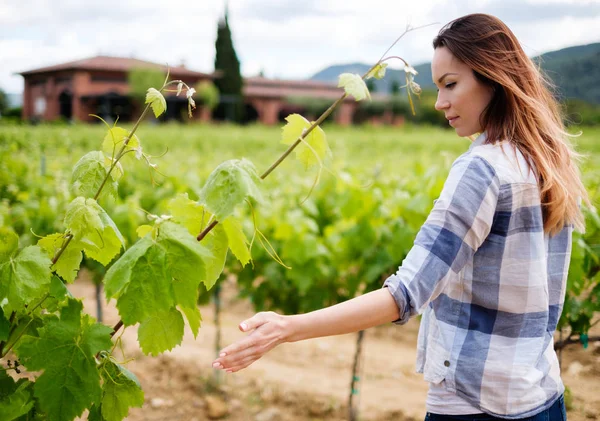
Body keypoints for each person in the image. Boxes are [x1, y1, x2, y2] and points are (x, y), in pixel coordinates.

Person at [212, 13, 589, 420]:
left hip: (476, 405)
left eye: (450, 85)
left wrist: (288, 328)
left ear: (493, 78)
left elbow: (405, 294)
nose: (440, 102)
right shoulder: (548, 162)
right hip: (542, 398)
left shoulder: (482, 170)